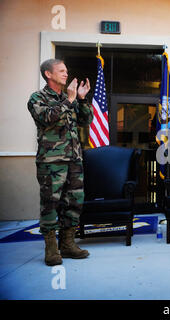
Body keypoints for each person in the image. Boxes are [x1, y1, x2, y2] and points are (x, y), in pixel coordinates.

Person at [27, 59, 93, 266]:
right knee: (50, 204)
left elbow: (86, 121)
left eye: (66, 70)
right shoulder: (38, 98)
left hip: (74, 159)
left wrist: (81, 100)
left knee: (73, 202)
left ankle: (68, 244)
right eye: (61, 71)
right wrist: (69, 100)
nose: (66, 74)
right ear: (48, 74)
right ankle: (51, 249)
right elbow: (47, 118)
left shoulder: (69, 97)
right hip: (51, 161)